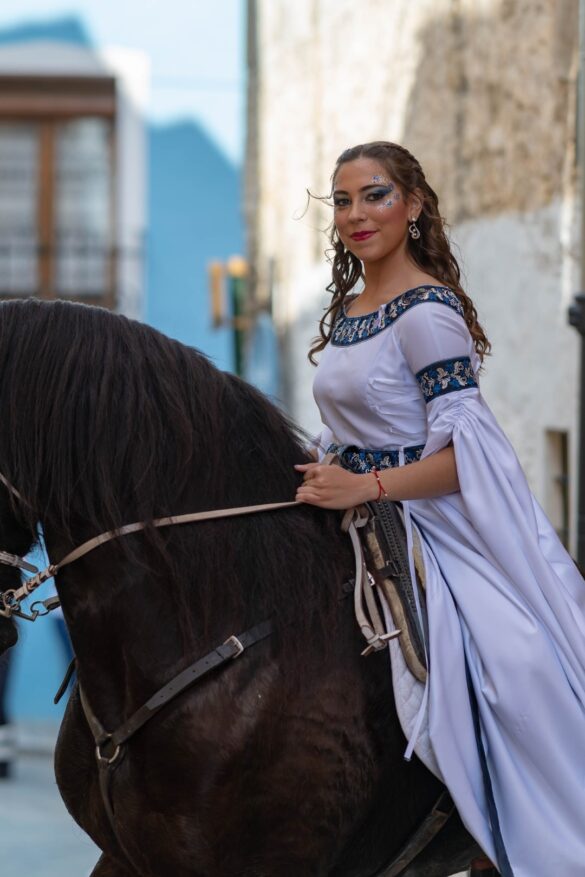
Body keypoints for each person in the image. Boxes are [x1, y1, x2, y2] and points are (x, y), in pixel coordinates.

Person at [294, 141, 585, 877]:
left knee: (512, 663)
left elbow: (468, 459)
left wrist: (366, 486)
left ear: (414, 205)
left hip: (433, 522)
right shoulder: (350, 310)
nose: (356, 214)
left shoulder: (427, 312)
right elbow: (353, 422)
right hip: (352, 507)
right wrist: (326, 465)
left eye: (375, 195)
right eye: (342, 200)